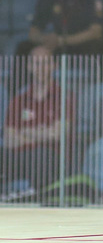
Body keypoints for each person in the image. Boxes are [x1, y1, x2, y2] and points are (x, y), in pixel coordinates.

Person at [1, 45, 74, 202]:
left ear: (54, 65)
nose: (41, 68)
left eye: (45, 63)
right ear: (29, 66)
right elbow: (8, 139)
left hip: (50, 158)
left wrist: (25, 132)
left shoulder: (64, 97)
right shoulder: (19, 100)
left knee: (41, 155)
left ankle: (36, 198)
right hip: (19, 157)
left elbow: (58, 134)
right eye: (36, 63)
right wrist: (42, 132)